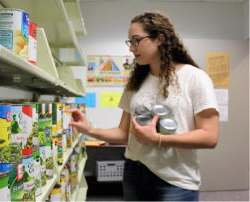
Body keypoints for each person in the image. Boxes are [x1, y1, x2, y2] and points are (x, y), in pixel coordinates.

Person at [68, 11, 219, 202]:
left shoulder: (195, 78)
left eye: (136, 40)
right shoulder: (137, 81)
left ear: (160, 39)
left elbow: (210, 136)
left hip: (175, 179)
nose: (132, 48)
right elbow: (125, 133)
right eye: (130, 41)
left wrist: (158, 139)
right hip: (134, 172)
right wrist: (90, 130)